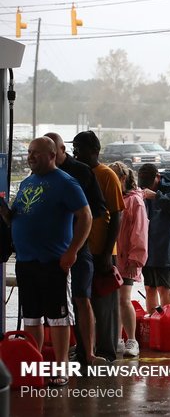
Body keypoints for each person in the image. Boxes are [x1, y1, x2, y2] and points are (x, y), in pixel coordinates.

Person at [1, 137, 92, 387]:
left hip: (54, 262)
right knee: (31, 317)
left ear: (52, 155)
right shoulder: (27, 183)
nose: (30, 156)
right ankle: (36, 366)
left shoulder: (65, 182)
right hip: (26, 261)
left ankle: (61, 368)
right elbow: (17, 218)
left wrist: (73, 250)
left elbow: (86, 216)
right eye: (29, 152)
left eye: (36, 153)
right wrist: (5, 213)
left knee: (58, 317)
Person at [45, 132, 107, 367]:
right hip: (50, 247)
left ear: (61, 150)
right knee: (54, 300)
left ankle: (88, 353)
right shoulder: (40, 174)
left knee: (82, 297)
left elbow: (99, 210)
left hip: (78, 245)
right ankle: (60, 350)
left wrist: (82, 235)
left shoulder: (80, 172)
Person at [72, 130, 125, 361]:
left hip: (101, 251)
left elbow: (117, 216)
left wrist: (106, 252)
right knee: (82, 303)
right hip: (80, 250)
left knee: (104, 307)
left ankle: (107, 351)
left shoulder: (106, 175)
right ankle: (85, 350)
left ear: (94, 151)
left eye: (80, 148)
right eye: (74, 147)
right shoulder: (75, 174)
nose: (76, 152)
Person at [137, 163, 170, 314]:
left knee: (163, 287)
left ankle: (166, 322)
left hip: (163, 246)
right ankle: (153, 324)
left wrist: (157, 196)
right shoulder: (141, 189)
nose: (148, 188)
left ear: (158, 177)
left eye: (150, 185)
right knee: (149, 287)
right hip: (145, 245)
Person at [109, 162, 148, 357]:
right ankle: (117, 339)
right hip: (113, 255)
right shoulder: (115, 198)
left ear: (123, 178)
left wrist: (136, 258)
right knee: (115, 300)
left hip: (126, 258)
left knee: (124, 299)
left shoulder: (135, 201)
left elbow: (139, 232)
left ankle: (131, 340)